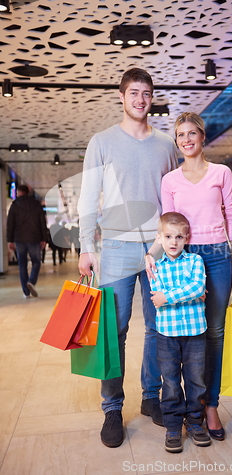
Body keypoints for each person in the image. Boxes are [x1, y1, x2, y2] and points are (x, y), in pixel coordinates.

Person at [77, 68, 178, 448]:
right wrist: (88, 247)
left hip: (159, 250)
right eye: (133, 92)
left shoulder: (167, 145)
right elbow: (88, 199)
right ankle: (112, 408)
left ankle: (152, 396)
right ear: (121, 96)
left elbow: (174, 200)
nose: (140, 99)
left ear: (152, 98)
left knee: (159, 328)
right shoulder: (101, 142)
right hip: (116, 247)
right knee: (113, 331)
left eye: (146, 93)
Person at [146, 112, 232, 441]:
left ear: (202, 136)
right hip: (181, 255)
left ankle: (208, 405)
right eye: (180, 135)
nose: (186, 139)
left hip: (216, 255)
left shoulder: (222, 173)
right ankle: (183, 408)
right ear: (177, 142)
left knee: (213, 332)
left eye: (192, 133)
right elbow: (167, 225)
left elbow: (231, 216)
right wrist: (152, 253)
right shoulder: (170, 180)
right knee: (183, 333)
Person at [150, 212, 211, 453]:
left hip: (196, 332)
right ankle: (173, 425)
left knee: (196, 380)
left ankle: (195, 422)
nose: (173, 242)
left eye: (178, 237)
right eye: (167, 236)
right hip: (167, 334)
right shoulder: (156, 266)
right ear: (159, 238)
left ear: (187, 238)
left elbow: (198, 286)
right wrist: (187, 293)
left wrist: (170, 295)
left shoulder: (196, 260)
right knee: (171, 382)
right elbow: (157, 297)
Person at [6, 184, 47, 298]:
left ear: (19, 192)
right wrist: (44, 239)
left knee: (22, 265)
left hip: (19, 239)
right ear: (27, 192)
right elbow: (42, 223)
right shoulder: (36, 205)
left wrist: (10, 240)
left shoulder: (14, 206)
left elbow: (10, 224)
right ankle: (31, 281)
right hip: (34, 238)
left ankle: (26, 291)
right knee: (36, 262)